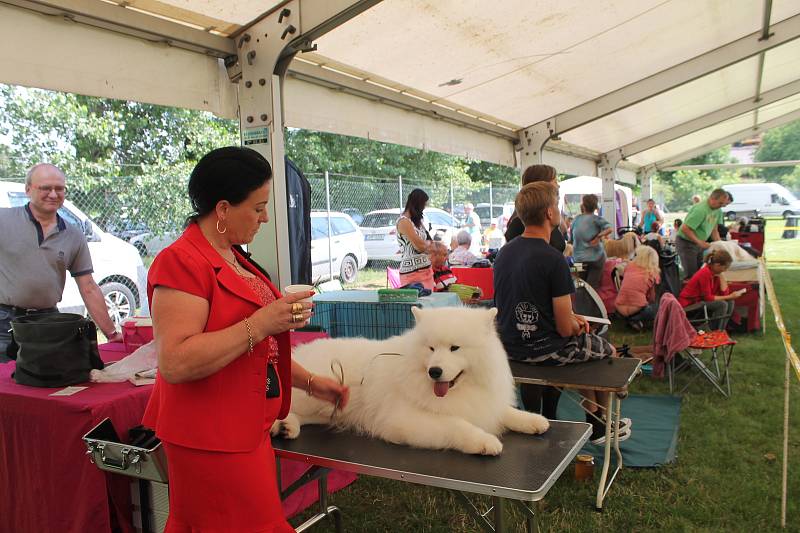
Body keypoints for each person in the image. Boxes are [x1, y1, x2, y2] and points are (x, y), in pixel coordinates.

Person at [143, 147, 349, 532]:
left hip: (243, 429)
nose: (265, 217)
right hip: (209, 438)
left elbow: (258, 352)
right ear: (223, 209)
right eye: (257, 208)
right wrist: (263, 321)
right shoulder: (181, 261)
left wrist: (310, 382)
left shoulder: (233, 256)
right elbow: (175, 360)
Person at [494, 181, 627, 445]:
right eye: (556, 205)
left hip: (508, 346)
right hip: (542, 350)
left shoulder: (504, 253)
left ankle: (599, 420)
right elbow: (565, 329)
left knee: (586, 346)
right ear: (549, 213)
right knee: (607, 351)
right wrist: (577, 325)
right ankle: (600, 422)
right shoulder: (553, 259)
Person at [0, 163, 123, 361]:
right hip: (4, 323)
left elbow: (89, 287)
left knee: (46, 385)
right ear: (28, 189)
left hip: (49, 323)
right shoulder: (4, 220)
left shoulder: (74, 235)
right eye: (46, 188)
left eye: (59, 189)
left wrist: (111, 333)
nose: (53, 194)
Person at [504, 164, 566, 253]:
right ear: (542, 185)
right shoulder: (522, 224)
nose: (558, 185)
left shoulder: (546, 220)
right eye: (555, 181)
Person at [678, 249, 744, 331]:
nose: (726, 270)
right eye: (725, 267)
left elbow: (724, 293)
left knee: (730, 301)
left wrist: (721, 275)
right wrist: (729, 296)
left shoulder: (714, 273)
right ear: (717, 265)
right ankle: (715, 332)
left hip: (699, 301)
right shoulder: (705, 273)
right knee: (722, 304)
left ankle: (721, 331)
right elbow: (708, 298)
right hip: (689, 304)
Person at [675, 188, 727, 279]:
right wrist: (700, 242)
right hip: (686, 243)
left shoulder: (718, 211)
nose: (722, 206)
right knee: (692, 275)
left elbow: (714, 230)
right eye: (720, 203)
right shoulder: (701, 210)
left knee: (701, 272)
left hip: (699, 243)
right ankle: (689, 292)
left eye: (724, 203)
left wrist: (720, 246)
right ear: (712, 199)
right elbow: (685, 229)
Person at [570, 194, 613, 289]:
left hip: (578, 259)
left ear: (583, 206)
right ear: (595, 207)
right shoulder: (597, 219)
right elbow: (610, 229)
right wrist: (598, 237)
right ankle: (591, 302)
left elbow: (571, 240)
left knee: (579, 285)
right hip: (596, 259)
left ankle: (580, 302)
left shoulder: (576, 220)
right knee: (592, 288)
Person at [615, 246, 661, 331]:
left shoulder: (629, 267)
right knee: (657, 306)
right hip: (638, 309)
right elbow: (652, 298)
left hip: (619, 308)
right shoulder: (652, 272)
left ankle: (630, 320)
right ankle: (635, 320)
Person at [397, 188, 435, 290]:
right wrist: (426, 244)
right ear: (417, 204)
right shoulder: (404, 222)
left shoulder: (417, 221)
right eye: (423, 205)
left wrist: (426, 244)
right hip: (412, 274)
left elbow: (431, 242)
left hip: (426, 271)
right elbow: (420, 247)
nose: (424, 208)